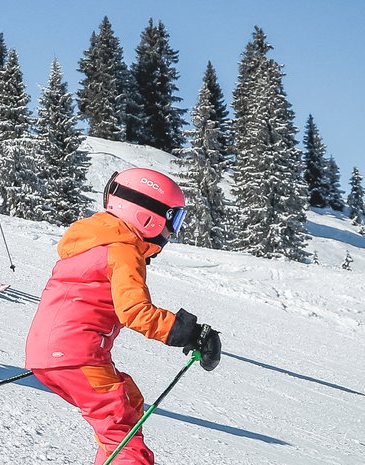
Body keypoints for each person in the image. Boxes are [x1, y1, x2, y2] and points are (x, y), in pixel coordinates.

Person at [24, 168, 223, 465]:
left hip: (50, 355)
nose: (173, 231)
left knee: (128, 402)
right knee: (121, 432)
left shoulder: (93, 241)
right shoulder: (122, 248)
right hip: (78, 356)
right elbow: (135, 311)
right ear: (147, 216)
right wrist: (192, 333)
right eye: (174, 219)